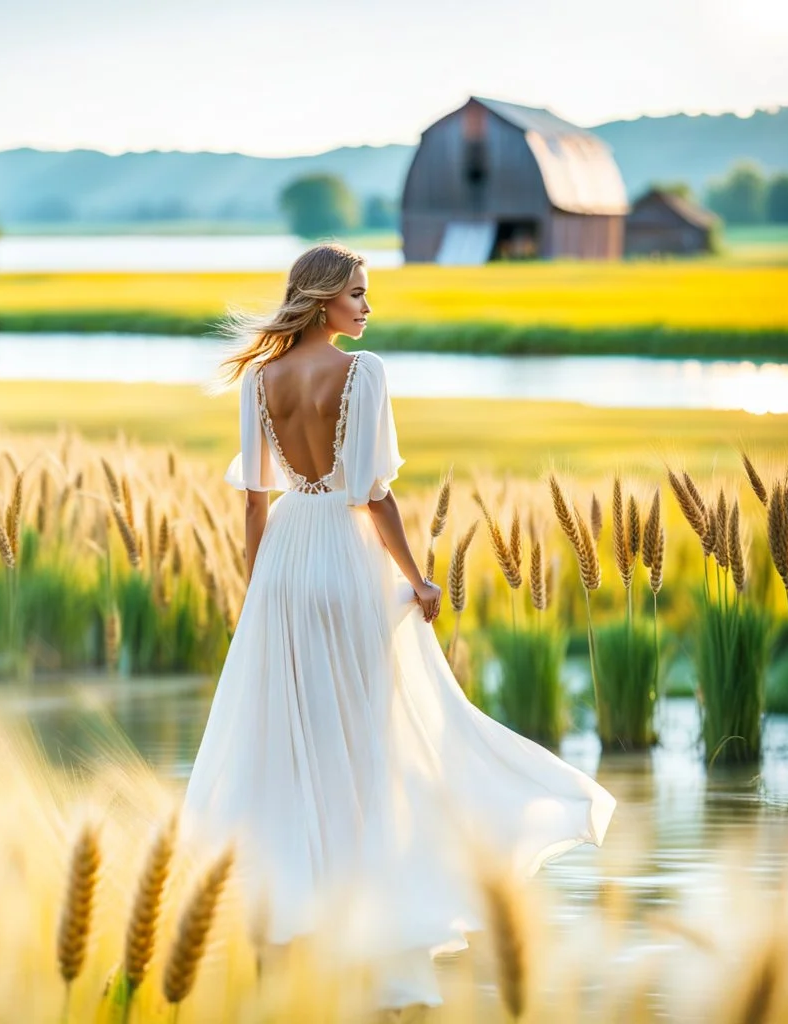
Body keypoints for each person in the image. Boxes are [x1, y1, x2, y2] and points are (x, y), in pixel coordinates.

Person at [179, 242, 616, 1009]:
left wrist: (260, 592)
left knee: (293, 737)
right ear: (321, 300)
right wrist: (415, 576)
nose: (366, 308)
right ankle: (366, 906)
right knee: (370, 734)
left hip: (283, 560)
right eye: (356, 293)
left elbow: (253, 499)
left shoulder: (259, 380)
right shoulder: (366, 372)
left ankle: (290, 914)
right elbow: (371, 494)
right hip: (347, 560)